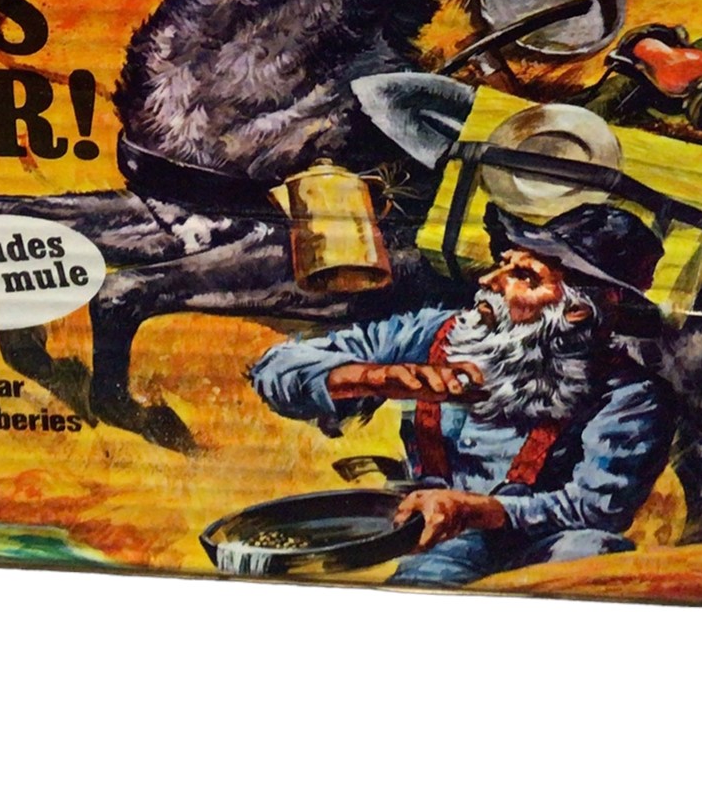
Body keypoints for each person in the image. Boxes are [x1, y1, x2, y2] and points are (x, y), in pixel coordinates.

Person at [248, 202, 673, 588]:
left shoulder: (631, 395)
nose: (489, 282)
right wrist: (374, 378)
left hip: (543, 543)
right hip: (430, 534)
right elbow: (277, 367)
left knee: (592, 555)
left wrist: (477, 510)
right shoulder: (438, 332)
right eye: (503, 265)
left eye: (523, 276)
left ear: (575, 310)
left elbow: (594, 507)